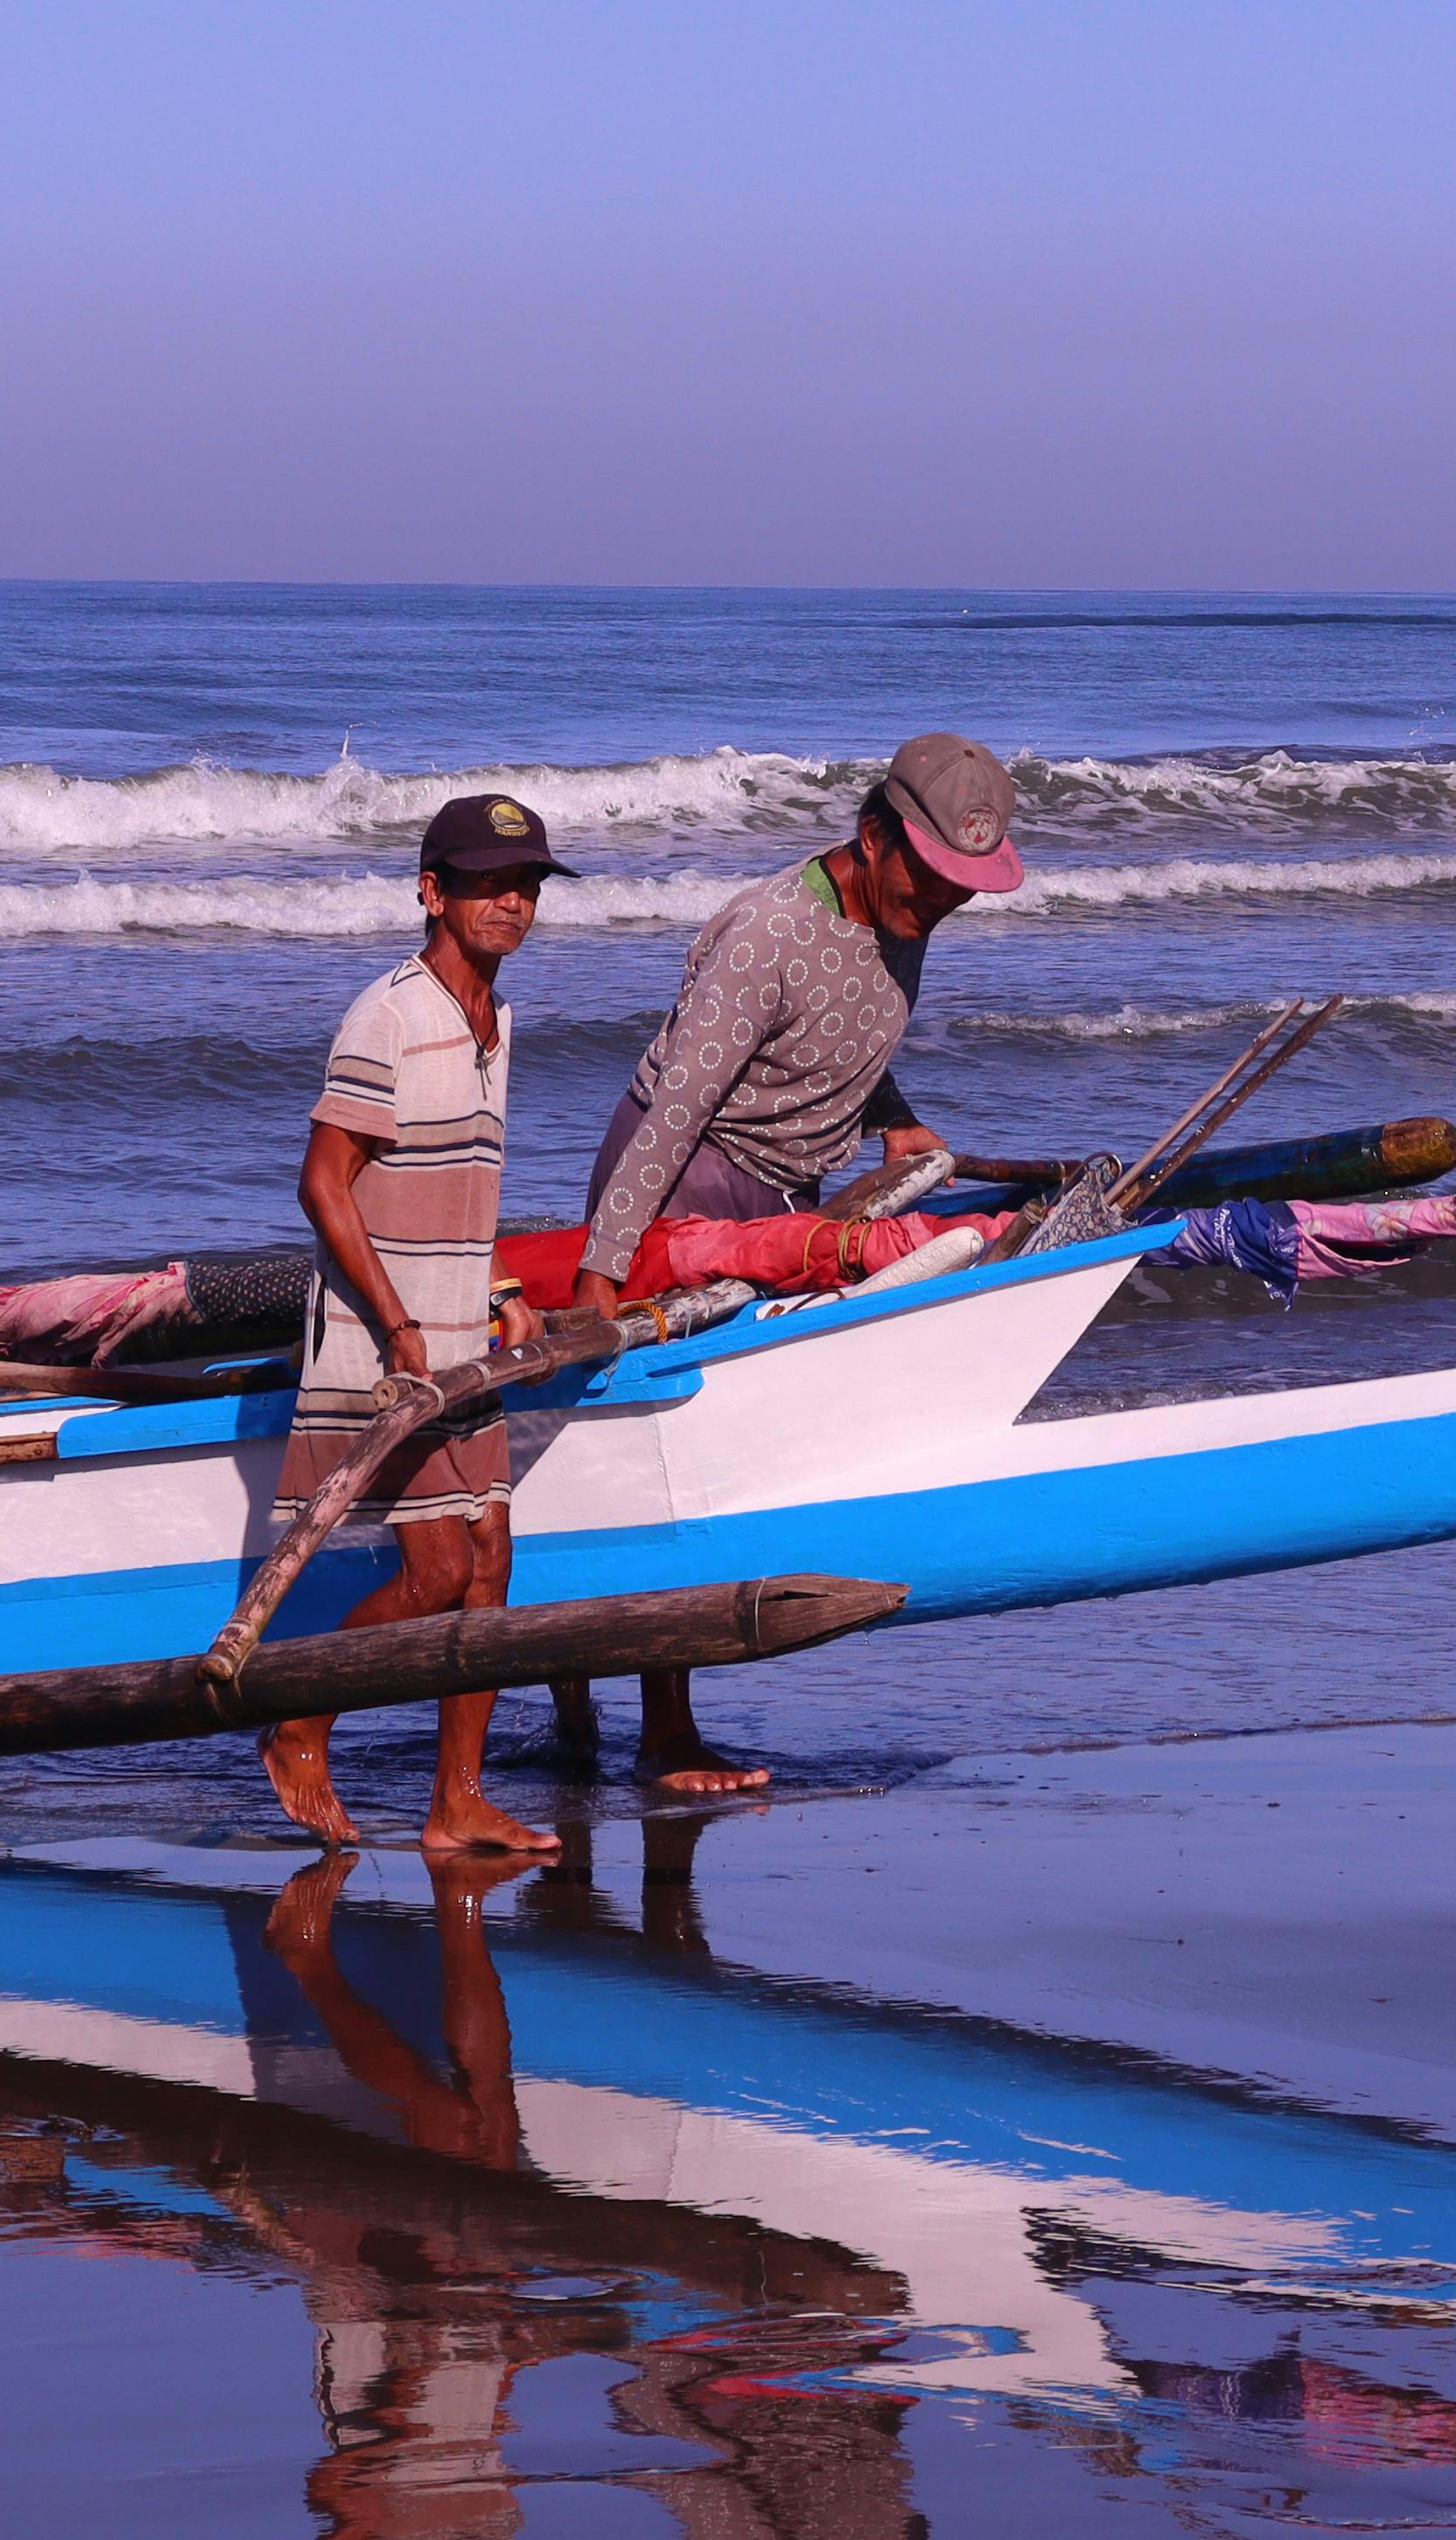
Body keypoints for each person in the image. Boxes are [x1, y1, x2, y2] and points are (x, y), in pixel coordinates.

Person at [562, 733, 1024, 1794]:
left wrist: (895, 1119)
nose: (946, 903)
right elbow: (677, 1104)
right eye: (934, 878)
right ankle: (657, 1734)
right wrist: (605, 1261)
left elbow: (852, 1027)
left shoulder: (903, 907)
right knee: (661, 1453)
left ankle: (590, 1712)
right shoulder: (768, 932)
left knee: (717, 1452)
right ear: (873, 837)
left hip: (787, 1194)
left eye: (964, 884)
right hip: (680, 1181)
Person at [259, 791, 572, 1857]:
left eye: (524, 885)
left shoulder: (496, 1019)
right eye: (487, 882)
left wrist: (496, 1291)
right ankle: (299, 1723)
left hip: (456, 1342)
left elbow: (456, 1186)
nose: (510, 902)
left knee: (493, 1558)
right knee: (441, 1571)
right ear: (433, 891)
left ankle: (456, 1803)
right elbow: (323, 1182)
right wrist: (395, 1322)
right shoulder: (387, 1014)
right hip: (379, 1346)